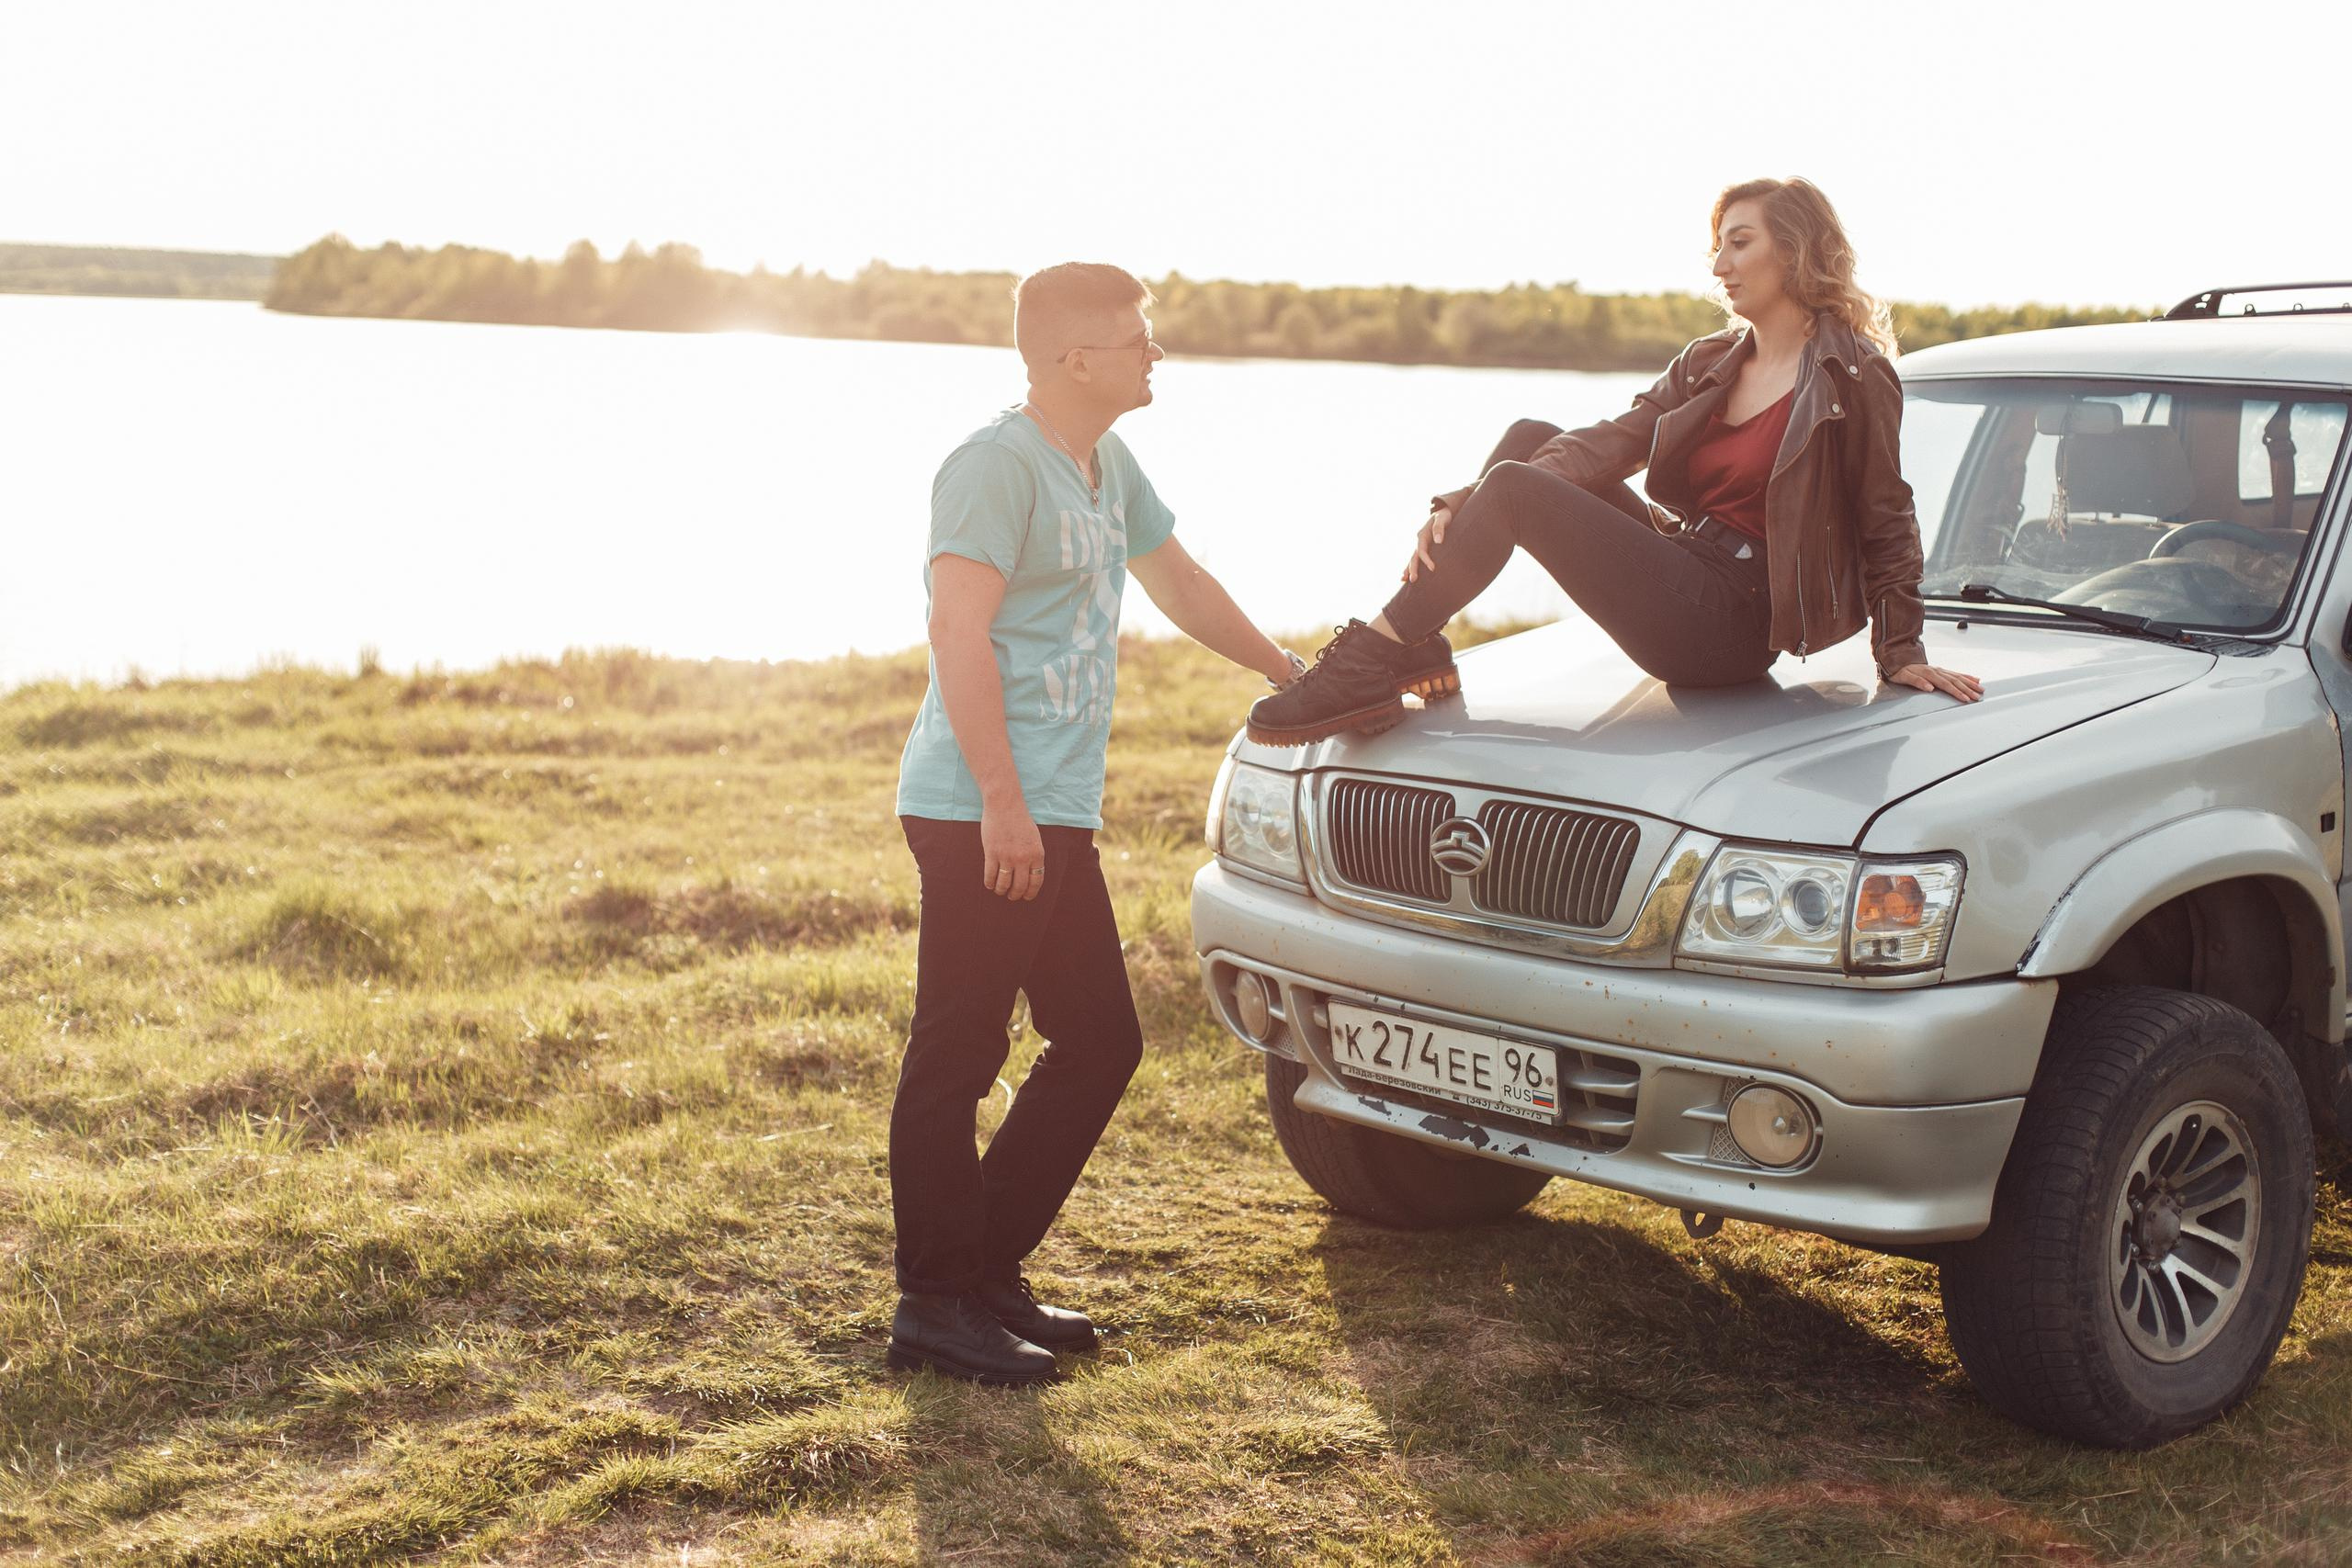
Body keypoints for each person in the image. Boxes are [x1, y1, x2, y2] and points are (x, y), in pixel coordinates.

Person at [888, 263, 1299, 1385]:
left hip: (1050, 809)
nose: (1154, 351)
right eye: (1134, 337)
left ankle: (980, 1270)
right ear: (1074, 358)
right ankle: (933, 1299)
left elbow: (1180, 580)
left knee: (1101, 1040)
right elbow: (957, 637)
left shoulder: (1104, 460)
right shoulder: (991, 464)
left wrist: (1286, 670)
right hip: (981, 804)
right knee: (960, 1051)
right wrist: (1003, 805)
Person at [1246, 176, 1983, 746]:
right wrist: (1461, 500)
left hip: (1736, 620)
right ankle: (1411, 645)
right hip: (1690, 569)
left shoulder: (1852, 374)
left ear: (1792, 250)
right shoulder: (1709, 363)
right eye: (1717, 246)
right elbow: (1610, 441)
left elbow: (1885, 513)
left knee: (1516, 488)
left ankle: (1370, 657)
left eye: (1740, 243)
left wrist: (1901, 650)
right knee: (1529, 438)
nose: (1719, 265)